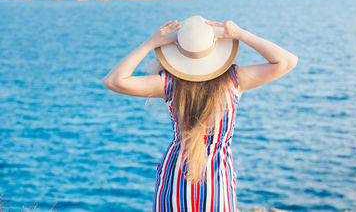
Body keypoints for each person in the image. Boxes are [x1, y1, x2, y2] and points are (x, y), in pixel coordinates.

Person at [103, 15, 298, 212]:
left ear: (177, 52)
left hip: (176, 176)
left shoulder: (168, 84)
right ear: (215, 47)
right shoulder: (235, 80)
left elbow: (113, 81)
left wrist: (148, 44)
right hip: (217, 178)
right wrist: (240, 34)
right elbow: (287, 61)